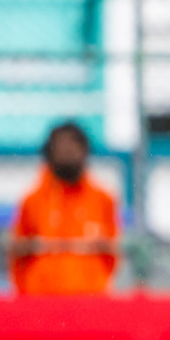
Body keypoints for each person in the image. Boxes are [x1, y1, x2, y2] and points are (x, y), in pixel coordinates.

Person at [10, 121, 118, 295]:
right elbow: (17, 254)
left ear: (85, 150)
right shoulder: (32, 200)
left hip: (90, 294)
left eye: (73, 144)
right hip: (41, 294)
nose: (67, 151)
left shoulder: (103, 199)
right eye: (60, 146)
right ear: (49, 153)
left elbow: (111, 254)